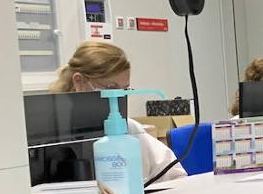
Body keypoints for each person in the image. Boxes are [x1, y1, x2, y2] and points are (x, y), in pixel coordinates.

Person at [50, 40, 186, 183]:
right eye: (110, 88)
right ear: (79, 82)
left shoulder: (130, 128)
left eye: (124, 90)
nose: (118, 99)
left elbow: (175, 176)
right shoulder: (51, 130)